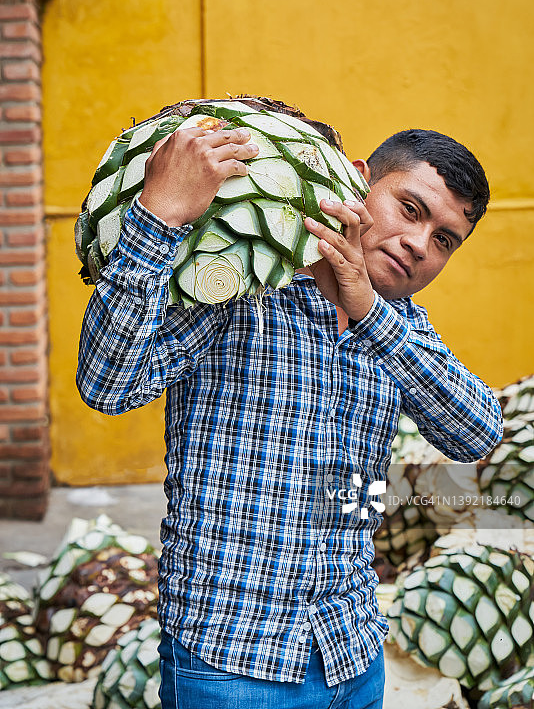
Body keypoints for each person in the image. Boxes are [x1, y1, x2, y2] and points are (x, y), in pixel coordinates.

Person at [77, 116, 503, 709]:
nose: (418, 244)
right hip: (229, 660)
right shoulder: (239, 287)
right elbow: (106, 384)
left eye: (443, 240)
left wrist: (369, 314)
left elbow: (477, 431)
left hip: (352, 654)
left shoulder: (401, 329)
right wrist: (158, 219)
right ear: (356, 182)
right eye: (410, 209)